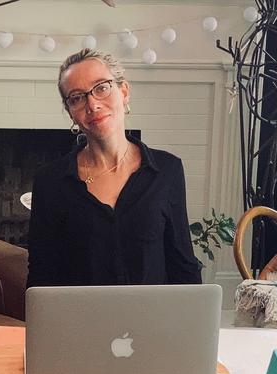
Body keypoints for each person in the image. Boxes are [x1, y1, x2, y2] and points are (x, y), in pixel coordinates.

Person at [27, 48, 202, 287]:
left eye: (101, 87)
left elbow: (182, 263)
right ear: (70, 113)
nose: (92, 104)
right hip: (81, 322)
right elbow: (42, 276)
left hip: (152, 320)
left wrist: (193, 321)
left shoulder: (167, 170)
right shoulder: (50, 182)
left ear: (124, 91)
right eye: (77, 98)